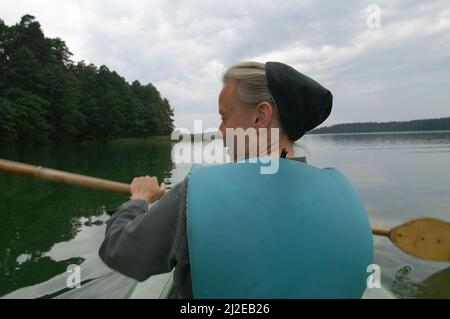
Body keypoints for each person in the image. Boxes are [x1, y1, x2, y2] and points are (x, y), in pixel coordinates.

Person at [99, 61, 373, 298]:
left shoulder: (193, 195)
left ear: (260, 116)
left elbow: (119, 251)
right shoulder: (345, 193)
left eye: (224, 116)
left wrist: (138, 199)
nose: (220, 132)